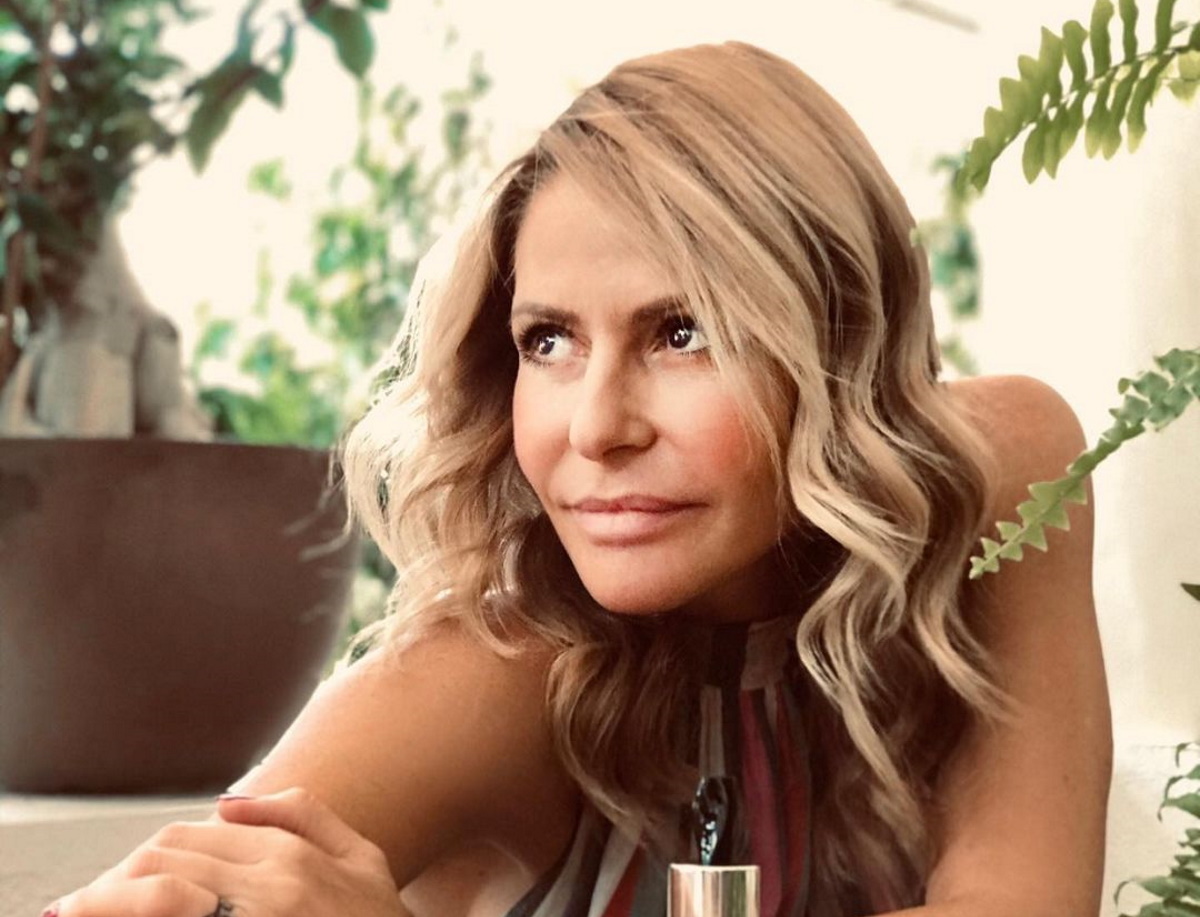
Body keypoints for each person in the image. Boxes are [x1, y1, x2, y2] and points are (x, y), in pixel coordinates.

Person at [46, 40, 1111, 917]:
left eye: (683, 333)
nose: (596, 427)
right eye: (548, 341)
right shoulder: (498, 674)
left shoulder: (995, 479)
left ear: (838, 341)